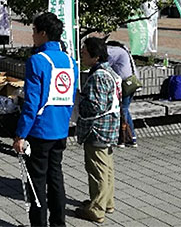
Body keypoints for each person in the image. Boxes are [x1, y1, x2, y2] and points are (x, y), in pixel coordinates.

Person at [12, 12, 78, 227]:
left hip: (39, 130)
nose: (32, 35)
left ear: (42, 33)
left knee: (36, 182)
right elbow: (70, 96)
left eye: (33, 31)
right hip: (61, 128)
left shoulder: (37, 61)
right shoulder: (70, 60)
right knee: (56, 178)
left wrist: (20, 134)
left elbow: (31, 102)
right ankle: (59, 224)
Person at [75, 37, 121, 224]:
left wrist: (79, 100)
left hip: (97, 130)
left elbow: (95, 106)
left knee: (97, 171)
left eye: (85, 53)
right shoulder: (108, 72)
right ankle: (106, 201)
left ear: (95, 56)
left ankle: (96, 209)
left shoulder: (99, 76)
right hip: (107, 128)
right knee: (106, 168)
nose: (82, 56)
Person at [106, 41, 138, 147]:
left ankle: (125, 139)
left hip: (125, 85)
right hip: (131, 83)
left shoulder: (114, 51)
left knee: (122, 111)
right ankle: (131, 137)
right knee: (125, 110)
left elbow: (106, 65)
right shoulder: (123, 50)